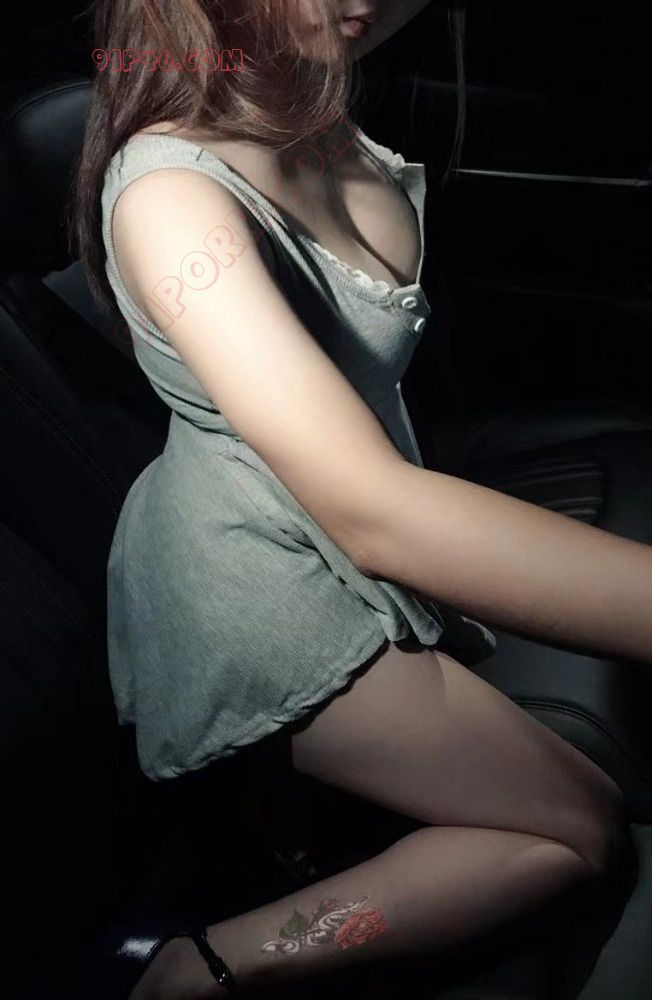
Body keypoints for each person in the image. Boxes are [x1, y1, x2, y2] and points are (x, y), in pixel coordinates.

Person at [69, 2, 647, 998]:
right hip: (258, 592)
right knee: (576, 835)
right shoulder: (172, 202)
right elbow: (371, 508)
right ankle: (207, 968)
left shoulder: (303, 97)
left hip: (337, 528)